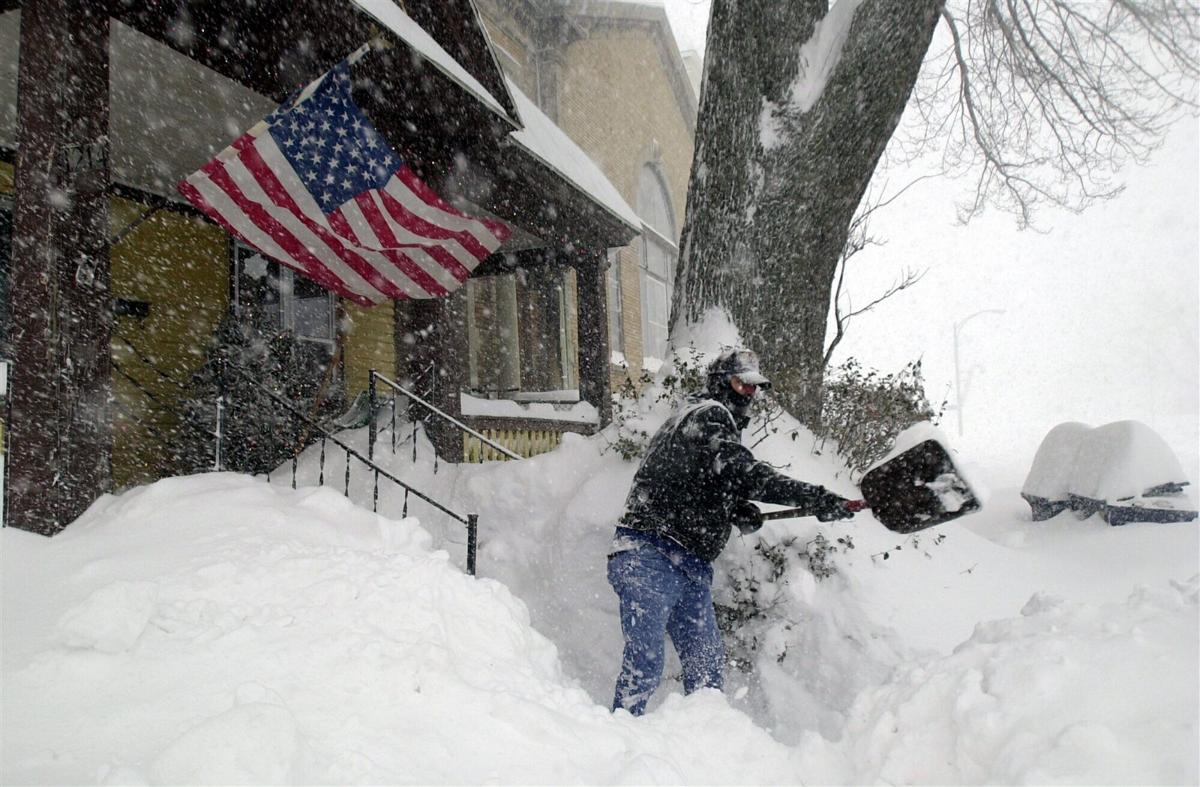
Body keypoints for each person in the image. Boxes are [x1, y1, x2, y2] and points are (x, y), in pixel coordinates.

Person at [608, 348, 866, 715]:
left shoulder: (700, 421)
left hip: (689, 566)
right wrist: (817, 497)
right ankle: (615, 740)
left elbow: (695, 479)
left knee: (707, 675)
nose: (748, 394)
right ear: (720, 383)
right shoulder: (708, 414)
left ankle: (707, 752)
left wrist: (731, 508)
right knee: (645, 664)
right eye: (740, 384)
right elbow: (742, 473)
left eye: (754, 388)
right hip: (649, 552)